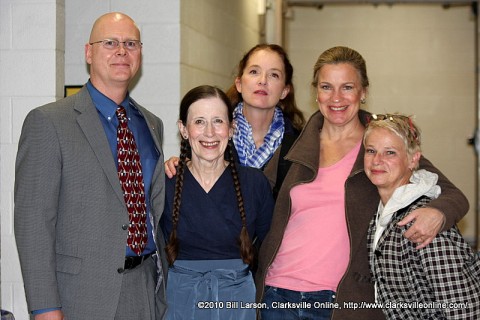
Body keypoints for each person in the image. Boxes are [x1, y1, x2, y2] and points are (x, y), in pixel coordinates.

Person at [255, 46, 469, 320]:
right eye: (326, 87)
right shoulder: (294, 145)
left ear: (363, 92)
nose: (336, 98)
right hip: (278, 295)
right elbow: (252, 197)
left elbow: (455, 195)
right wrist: (186, 168)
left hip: (343, 303)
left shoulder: (383, 145)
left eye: (347, 87)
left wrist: (438, 213)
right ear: (316, 92)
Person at [14, 12, 167, 320]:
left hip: (145, 290)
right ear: (88, 52)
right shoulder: (49, 122)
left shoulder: (151, 124)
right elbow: (33, 223)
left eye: (131, 43)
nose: (122, 51)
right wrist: (45, 309)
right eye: (110, 42)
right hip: (79, 298)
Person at [160, 85, 274, 320]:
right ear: (183, 129)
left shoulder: (254, 183)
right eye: (199, 121)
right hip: (181, 301)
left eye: (218, 121)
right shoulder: (165, 183)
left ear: (231, 129)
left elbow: (271, 251)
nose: (209, 133)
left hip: (237, 302)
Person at [364, 113, 480, 319]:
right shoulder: (382, 215)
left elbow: (463, 309)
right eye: (371, 150)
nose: (377, 160)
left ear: (413, 160)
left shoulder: (423, 223)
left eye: (390, 153)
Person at [166, 44, 305, 197]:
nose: (263, 80)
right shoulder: (212, 135)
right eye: (254, 72)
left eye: (274, 75)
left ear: (285, 90)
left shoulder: (300, 146)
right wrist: (175, 165)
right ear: (239, 83)